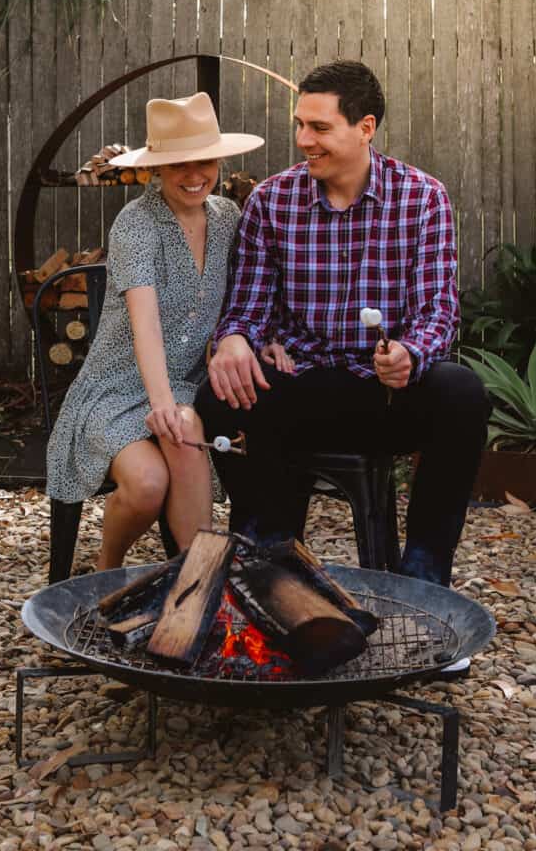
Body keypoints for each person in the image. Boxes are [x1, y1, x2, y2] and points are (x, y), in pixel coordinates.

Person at [195, 60, 491, 605]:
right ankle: (274, 572)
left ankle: (423, 585)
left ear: (365, 127)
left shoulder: (422, 198)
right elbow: (246, 309)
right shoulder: (271, 201)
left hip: (384, 395)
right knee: (219, 391)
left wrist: (409, 353)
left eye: (320, 127)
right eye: (300, 124)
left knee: (463, 392)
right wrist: (235, 339)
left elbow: (439, 315)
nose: (304, 139)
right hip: (298, 390)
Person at [46, 92, 291, 571]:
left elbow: (246, 296)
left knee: (186, 425)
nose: (194, 175)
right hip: (116, 389)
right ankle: (107, 566)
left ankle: (197, 579)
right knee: (148, 484)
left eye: (205, 161)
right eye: (179, 165)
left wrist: (266, 338)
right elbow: (146, 326)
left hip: (186, 384)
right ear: (155, 168)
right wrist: (160, 404)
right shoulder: (136, 225)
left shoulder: (228, 218)